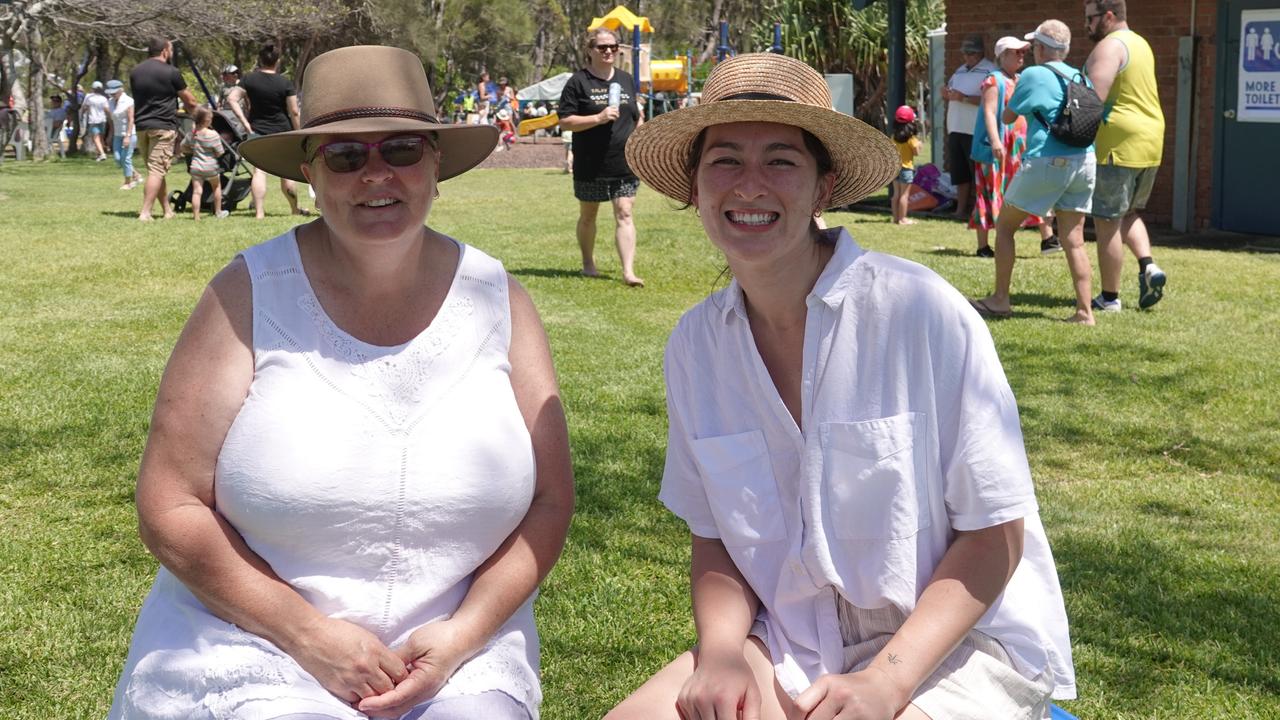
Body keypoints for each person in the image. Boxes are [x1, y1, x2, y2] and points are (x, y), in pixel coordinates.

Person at [106, 45, 573, 720]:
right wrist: (308, 635)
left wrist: (464, 634)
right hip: (252, 644)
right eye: (346, 156)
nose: (376, 174)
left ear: (436, 163)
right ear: (309, 171)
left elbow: (551, 502)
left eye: (403, 149)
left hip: (453, 652)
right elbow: (170, 504)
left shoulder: (502, 300)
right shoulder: (248, 295)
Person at [609, 51, 1076, 720]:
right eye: (725, 161)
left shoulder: (919, 311)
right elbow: (713, 533)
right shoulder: (695, 347)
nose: (750, 186)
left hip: (953, 649)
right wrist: (719, 652)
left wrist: (887, 683)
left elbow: (997, 532)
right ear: (693, 187)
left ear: (823, 188)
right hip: (792, 641)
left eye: (780, 160)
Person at [970, 20, 1097, 325]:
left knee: (1004, 228)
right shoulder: (1080, 75)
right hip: (1086, 161)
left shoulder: (1033, 74)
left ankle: (1000, 300)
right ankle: (1084, 312)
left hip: (1047, 161)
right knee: (1074, 239)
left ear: (1041, 48)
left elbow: (1008, 115)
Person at [1084, 0, 1168, 311]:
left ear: (1108, 16)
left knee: (1106, 221)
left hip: (1117, 145)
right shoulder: (1141, 43)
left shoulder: (1111, 46)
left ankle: (1109, 298)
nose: (1087, 26)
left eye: (1091, 19)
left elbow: (1092, 99)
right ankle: (1148, 267)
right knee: (1129, 213)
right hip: (1149, 143)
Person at [557, 27, 645, 286]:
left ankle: (628, 272)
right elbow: (564, 121)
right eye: (602, 47)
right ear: (590, 50)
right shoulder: (578, 82)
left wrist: (640, 137)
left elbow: (635, 114)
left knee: (625, 211)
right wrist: (598, 117)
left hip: (624, 161)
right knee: (589, 214)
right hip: (591, 162)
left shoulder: (626, 79)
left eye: (613, 47)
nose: (609, 51)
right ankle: (588, 263)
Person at [969, 37, 1059, 258]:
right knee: (990, 191)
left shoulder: (1020, 80)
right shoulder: (993, 80)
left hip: (1019, 148)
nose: (1022, 56)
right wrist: (996, 141)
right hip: (997, 148)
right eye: (1016, 52)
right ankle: (983, 246)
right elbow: (990, 112)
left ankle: (1047, 239)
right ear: (1002, 55)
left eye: (1023, 52)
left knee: (1027, 188)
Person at [130, 37, 198, 222]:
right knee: (157, 170)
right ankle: (145, 212)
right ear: (165, 51)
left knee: (155, 170)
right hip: (163, 126)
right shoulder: (171, 72)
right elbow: (190, 101)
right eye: (171, 50)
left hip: (142, 126)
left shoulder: (136, 71)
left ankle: (167, 210)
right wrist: (199, 115)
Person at [241, 43, 310, 219]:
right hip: (282, 130)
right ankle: (294, 210)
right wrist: (299, 132)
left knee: (259, 171)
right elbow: (294, 111)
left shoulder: (249, 79)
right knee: (286, 171)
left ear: (260, 59)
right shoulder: (284, 82)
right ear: (277, 61)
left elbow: (232, 98)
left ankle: (259, 212)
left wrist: (245, 122)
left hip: (257, 129)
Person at [943, 34, 996, 219]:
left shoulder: (990, 71)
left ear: (980, 53)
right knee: (960, 173)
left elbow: (990, 100)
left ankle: (982, 210)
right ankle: (960, 210)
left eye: (971, 53)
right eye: (965, 53)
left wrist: (963, 98)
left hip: (975, 130)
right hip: (956, 128)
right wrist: (946, 93)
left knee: (978, 173)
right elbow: (951, 91)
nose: (967, 57)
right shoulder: (959, 71)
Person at [180, 106, 226, 220]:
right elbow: (220, 152)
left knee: (197, 191)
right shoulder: (213, 134)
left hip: (196, 167)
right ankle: (218, 212)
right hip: (211, 167)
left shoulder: (192, 134)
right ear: (207, 120)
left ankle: (196, 216)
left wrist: (191, 150)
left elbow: (182, 146)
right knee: (216, 187)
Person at [105, 80, 141, 190]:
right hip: (117, 134)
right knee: (118, 159)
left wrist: (127, 136)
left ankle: (128, 183)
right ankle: (136, 175)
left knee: (125, 159)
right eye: (111, 92)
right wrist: (110, 135)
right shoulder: (110, 102)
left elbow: (131, 120)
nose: (112, 94)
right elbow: (111, 121)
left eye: (114, 92)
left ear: (121, 90)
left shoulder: (128, 101)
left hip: (129, 134)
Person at [891, 105, 920, 225]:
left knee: (896, 195)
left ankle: (895, 218)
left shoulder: (893, 137)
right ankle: (903, 219)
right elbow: (916, 152)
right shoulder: (911, 138)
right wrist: (919, 145)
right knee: (904, 195)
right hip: (907, 169)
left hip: (895, 169)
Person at [217, 63, 253, 136]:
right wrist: (218, 112)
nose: (224, 76)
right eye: (224, 74)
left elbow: (248, 102)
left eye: (226, 74)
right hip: (226, 115)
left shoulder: (242, 85)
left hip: (239, 116)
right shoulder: (223, 87)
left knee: (240, 134)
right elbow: (219, 102)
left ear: (235, 75)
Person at [81, 80, 111, 161]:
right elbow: (107, 109)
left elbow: (85, 107)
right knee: (100, 137)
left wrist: (82, 114)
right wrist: (110, 118)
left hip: (93, 120)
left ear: (93, 88)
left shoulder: (89, 97)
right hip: (102, 119)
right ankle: (99, 154)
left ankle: (102, 154)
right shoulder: (103, 98)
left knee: (95, 138)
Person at [45, 94, 67, 159]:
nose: (54, 102)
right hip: (45, 131)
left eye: (56, 101)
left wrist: (44, 125)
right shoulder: (50, 111)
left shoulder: (60, 111)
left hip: (51, 133)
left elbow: (57, 124)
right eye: (53, 101)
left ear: (60, 102)